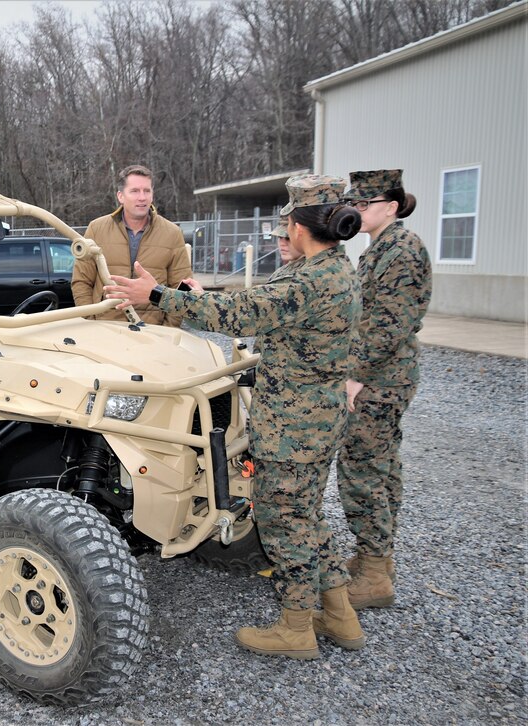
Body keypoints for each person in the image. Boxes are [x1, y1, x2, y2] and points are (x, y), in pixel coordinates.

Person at [104, 175, 365, 659]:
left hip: (293, 427)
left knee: (284, 521)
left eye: (288, 219)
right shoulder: (336, 269)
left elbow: (243, 311)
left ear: (302, 226)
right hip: (316, 419)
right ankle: (341, 616)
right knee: (306, 516)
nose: (284, 226)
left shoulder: (309, 280)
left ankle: (296, 628)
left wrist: (158, 295)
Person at [337, 169, 432, 609]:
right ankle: (376, 559)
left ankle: (375, 574)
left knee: (363, 469)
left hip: (379, 379)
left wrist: (354, 374)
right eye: (354, 204)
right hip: (383, 375)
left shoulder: (402, 250)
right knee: (381, 466)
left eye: (364, 204)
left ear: (391, 206)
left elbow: (390, 324)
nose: (357, 211)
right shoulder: (382, 248)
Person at [72, 165, 191, 326]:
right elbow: (82, 281)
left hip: (154, 333)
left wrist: (170, 328)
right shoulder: (96, 229)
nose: (142, 197)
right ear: (121, 196)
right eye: (135, 191)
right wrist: (90, 322)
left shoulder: (172, 233)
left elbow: (182, 287)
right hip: (105, 329)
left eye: (147, 191)